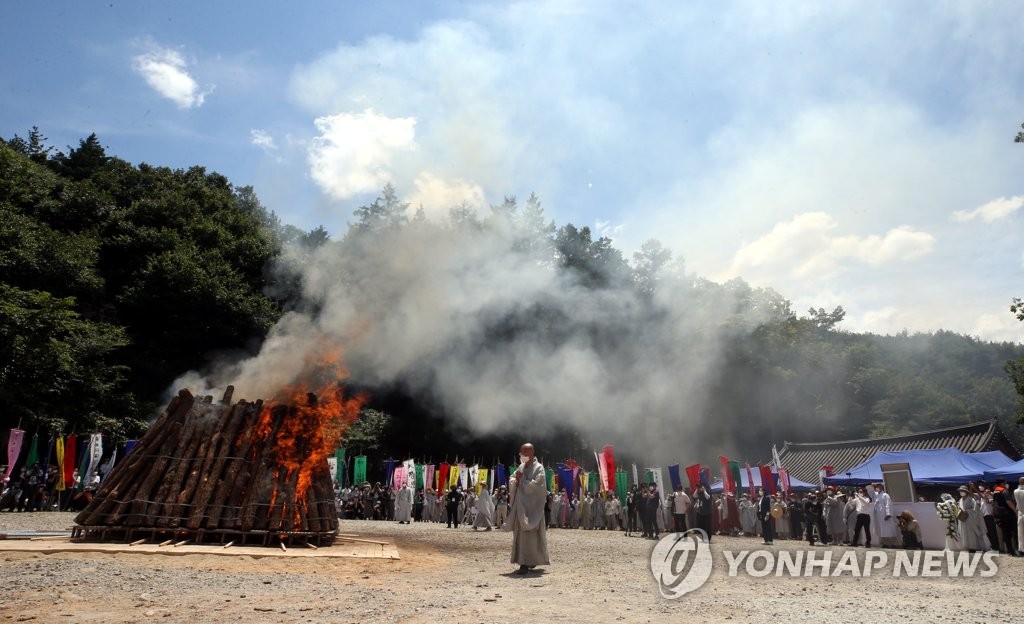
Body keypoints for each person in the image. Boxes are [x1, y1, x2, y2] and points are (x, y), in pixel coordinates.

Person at [508, 443, 549, 574]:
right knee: (521, 536)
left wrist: (523, 480)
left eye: (525, 453)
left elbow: (538, 486)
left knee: (532, 536)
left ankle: (530, 562)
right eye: (521, 453)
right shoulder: (521, 466)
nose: (523, 455)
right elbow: (512, 479)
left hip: (533, 508)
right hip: (521, 508)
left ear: (532, 453)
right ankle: (523, 561)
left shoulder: (539, 468)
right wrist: (516, 481)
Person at [992, 478, 1019, 556]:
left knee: (1006, 533)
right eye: (1005, 483)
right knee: (1014, 532)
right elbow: (1009, 502)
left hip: (1001, 515)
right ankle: (1016, 550)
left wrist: (994, 512)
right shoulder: (1005, 491)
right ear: (1002, 483)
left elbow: (994, 503)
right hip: (1009, 514)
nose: (1006, 484)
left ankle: (1010, 551)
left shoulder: (995, 492)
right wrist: (1015, 511)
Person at [873, 483, 898, 547]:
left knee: (889, 530)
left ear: (882, 487)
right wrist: (872, 485)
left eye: (878, 486)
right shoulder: (877, 496)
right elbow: (869, 489)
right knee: (882, 530)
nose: (876, 488)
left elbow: (888, 504)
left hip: (885, 516)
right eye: (876, 487)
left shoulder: (885, 495)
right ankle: (885, 544)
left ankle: (893, 544)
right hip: (879, 516)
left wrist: (888, 514)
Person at [1015, 477, 1024, 556]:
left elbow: (1017, 505)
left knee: (1021, 533)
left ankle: (1021, 549)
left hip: (1020, 514)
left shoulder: (1015, 491)